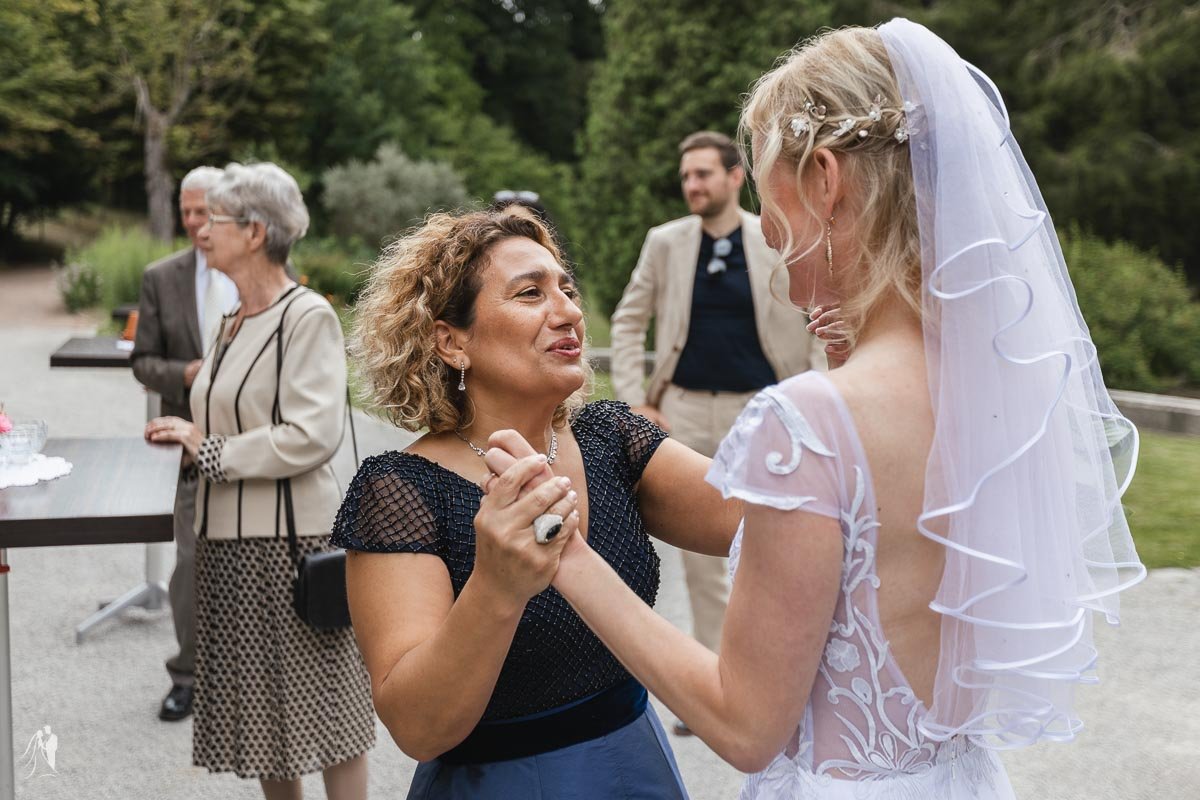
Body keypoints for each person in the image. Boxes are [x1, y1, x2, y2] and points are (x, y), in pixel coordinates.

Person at [491, 19, 1145, 799]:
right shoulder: (996, 388)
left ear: (826, 181)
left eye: (778, 228)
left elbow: (742, 725)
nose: (788, 277)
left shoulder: (810, 422)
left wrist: (565, 554)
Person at [330, 209, 743, 799]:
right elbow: (417, 727)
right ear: (452, 342)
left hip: (634, 768)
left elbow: (769, 521)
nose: (569, 311)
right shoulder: (402, 491)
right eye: (531, 293)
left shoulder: (611, 440)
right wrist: (496, 586)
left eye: (567, 291)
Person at [144, 162, 374, 800]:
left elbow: (312, 435)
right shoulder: (232, 320)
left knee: (328, 711)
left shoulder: (306, 316)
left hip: (290, 546)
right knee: (263, 722)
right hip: (226, 547)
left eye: (214, 220)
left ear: (254, 232)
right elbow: (225, 414)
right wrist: (185, 437)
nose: (200, 231)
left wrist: (209, 449)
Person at [609, 130, 825, 732]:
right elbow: (628, 321)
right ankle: (718, 687)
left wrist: (816, 398)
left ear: (735, 177)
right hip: (683, 414)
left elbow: (816, 317)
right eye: (686, 176)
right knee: (703, 558)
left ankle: (786, 681)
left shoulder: (774, 237)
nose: (692, 185)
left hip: (764, 412)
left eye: (703, 174)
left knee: (781, 543)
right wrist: (634, 401)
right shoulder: (665, 242)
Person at [132, 165, 239, 722]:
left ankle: (246, 673)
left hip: (251, 442)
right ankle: (188, 676)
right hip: (187, 449)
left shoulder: (259, 272)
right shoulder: (161, 277)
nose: (196, 223)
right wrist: (186, 373)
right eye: (187, 211)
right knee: (192, 564)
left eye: (206, 212)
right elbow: (143, 362)